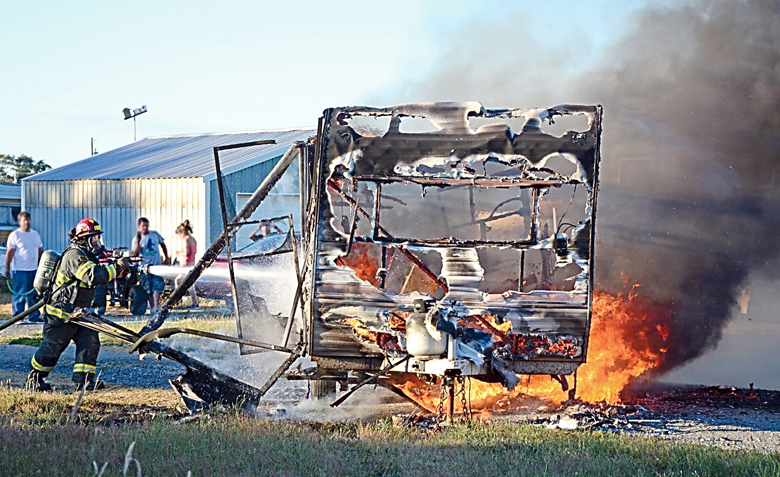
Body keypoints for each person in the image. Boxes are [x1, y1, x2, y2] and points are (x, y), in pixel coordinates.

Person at [27, 218, 127, 391]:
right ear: (85, 239)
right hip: (61, 313)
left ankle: (84, 382)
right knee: (54, 347)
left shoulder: (85, 255)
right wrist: (118, 268)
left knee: (90, 341)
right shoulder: (75, 255)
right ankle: (34, 379)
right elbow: (93, 276)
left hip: (77, 313)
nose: (98, 242)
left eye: (98, 238)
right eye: (95, 238)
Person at [5, 211, 44, 322]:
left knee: (33, 294)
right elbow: (9, 253)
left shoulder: (35, 234)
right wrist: (7, 268)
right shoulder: (15, 235)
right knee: (20, 294)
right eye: (24, 220)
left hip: (34, 270)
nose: (26, 222)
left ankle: (34, 316)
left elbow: (40, 251)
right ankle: (18, 317)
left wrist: (41, 266)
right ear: (20, 222)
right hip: (20, 270)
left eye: (28, 220)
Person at [131, 217, 169, 313]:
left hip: (157, 265)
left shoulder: (154, 234)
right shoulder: (136, 239)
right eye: (143, 226)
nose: (145, 227)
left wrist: (166, 257)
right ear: (139, 226)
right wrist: (138, 243)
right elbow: (135, 254)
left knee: (158, 285)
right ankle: (152, 307)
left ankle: (156, 306)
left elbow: (163, 244)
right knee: (148, 288)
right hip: (145, 267)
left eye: (146, 225)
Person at [173, 220, 199, 310]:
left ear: (182, 232)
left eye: (179, 235)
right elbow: (194, 252)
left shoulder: (186, 239)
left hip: (186, 265)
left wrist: (178, 253)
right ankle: (195, 303)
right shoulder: (193, 239)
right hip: (191, 264)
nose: (179, 237)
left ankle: (175, 301)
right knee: (190, 284)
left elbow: (186, 253)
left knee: (177, 280)